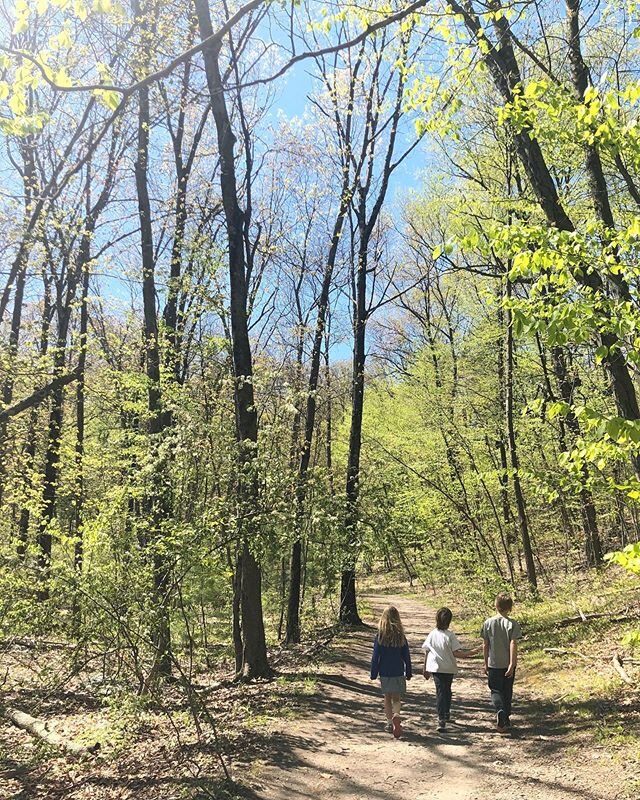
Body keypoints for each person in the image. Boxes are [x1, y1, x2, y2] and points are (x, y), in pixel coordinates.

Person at [421, 607, 481, 732]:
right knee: (446, 691)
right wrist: (473, 652)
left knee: (442, 692)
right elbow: (457, 653)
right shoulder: (450, 636)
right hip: (448, 668)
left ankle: (444, 715)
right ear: (449, 621)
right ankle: (443, 717)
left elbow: (426, 652)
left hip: (436, 668)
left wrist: (425, 668)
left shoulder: (432, 634)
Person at [481, 592, 522, 733]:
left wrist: (485, 662)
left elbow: (485, 645)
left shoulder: (488, 623)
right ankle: (506, 717)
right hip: (507, 663)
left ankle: (500, 710)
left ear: (496, 606)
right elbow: (513, 643)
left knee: (495, 690)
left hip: (493, 664)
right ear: (510, 608)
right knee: (507, 690)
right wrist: (512, 663)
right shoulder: (513, 624)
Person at [370, 605, 412, 738]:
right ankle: (397, 715)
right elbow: (406, 656)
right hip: (398, 671)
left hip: (384, 672)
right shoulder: (401, 636)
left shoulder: (380, 636)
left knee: (387, 698)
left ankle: (389, 722)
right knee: (397, 698)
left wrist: (373, 672)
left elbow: (375, 657)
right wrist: (408, 671)